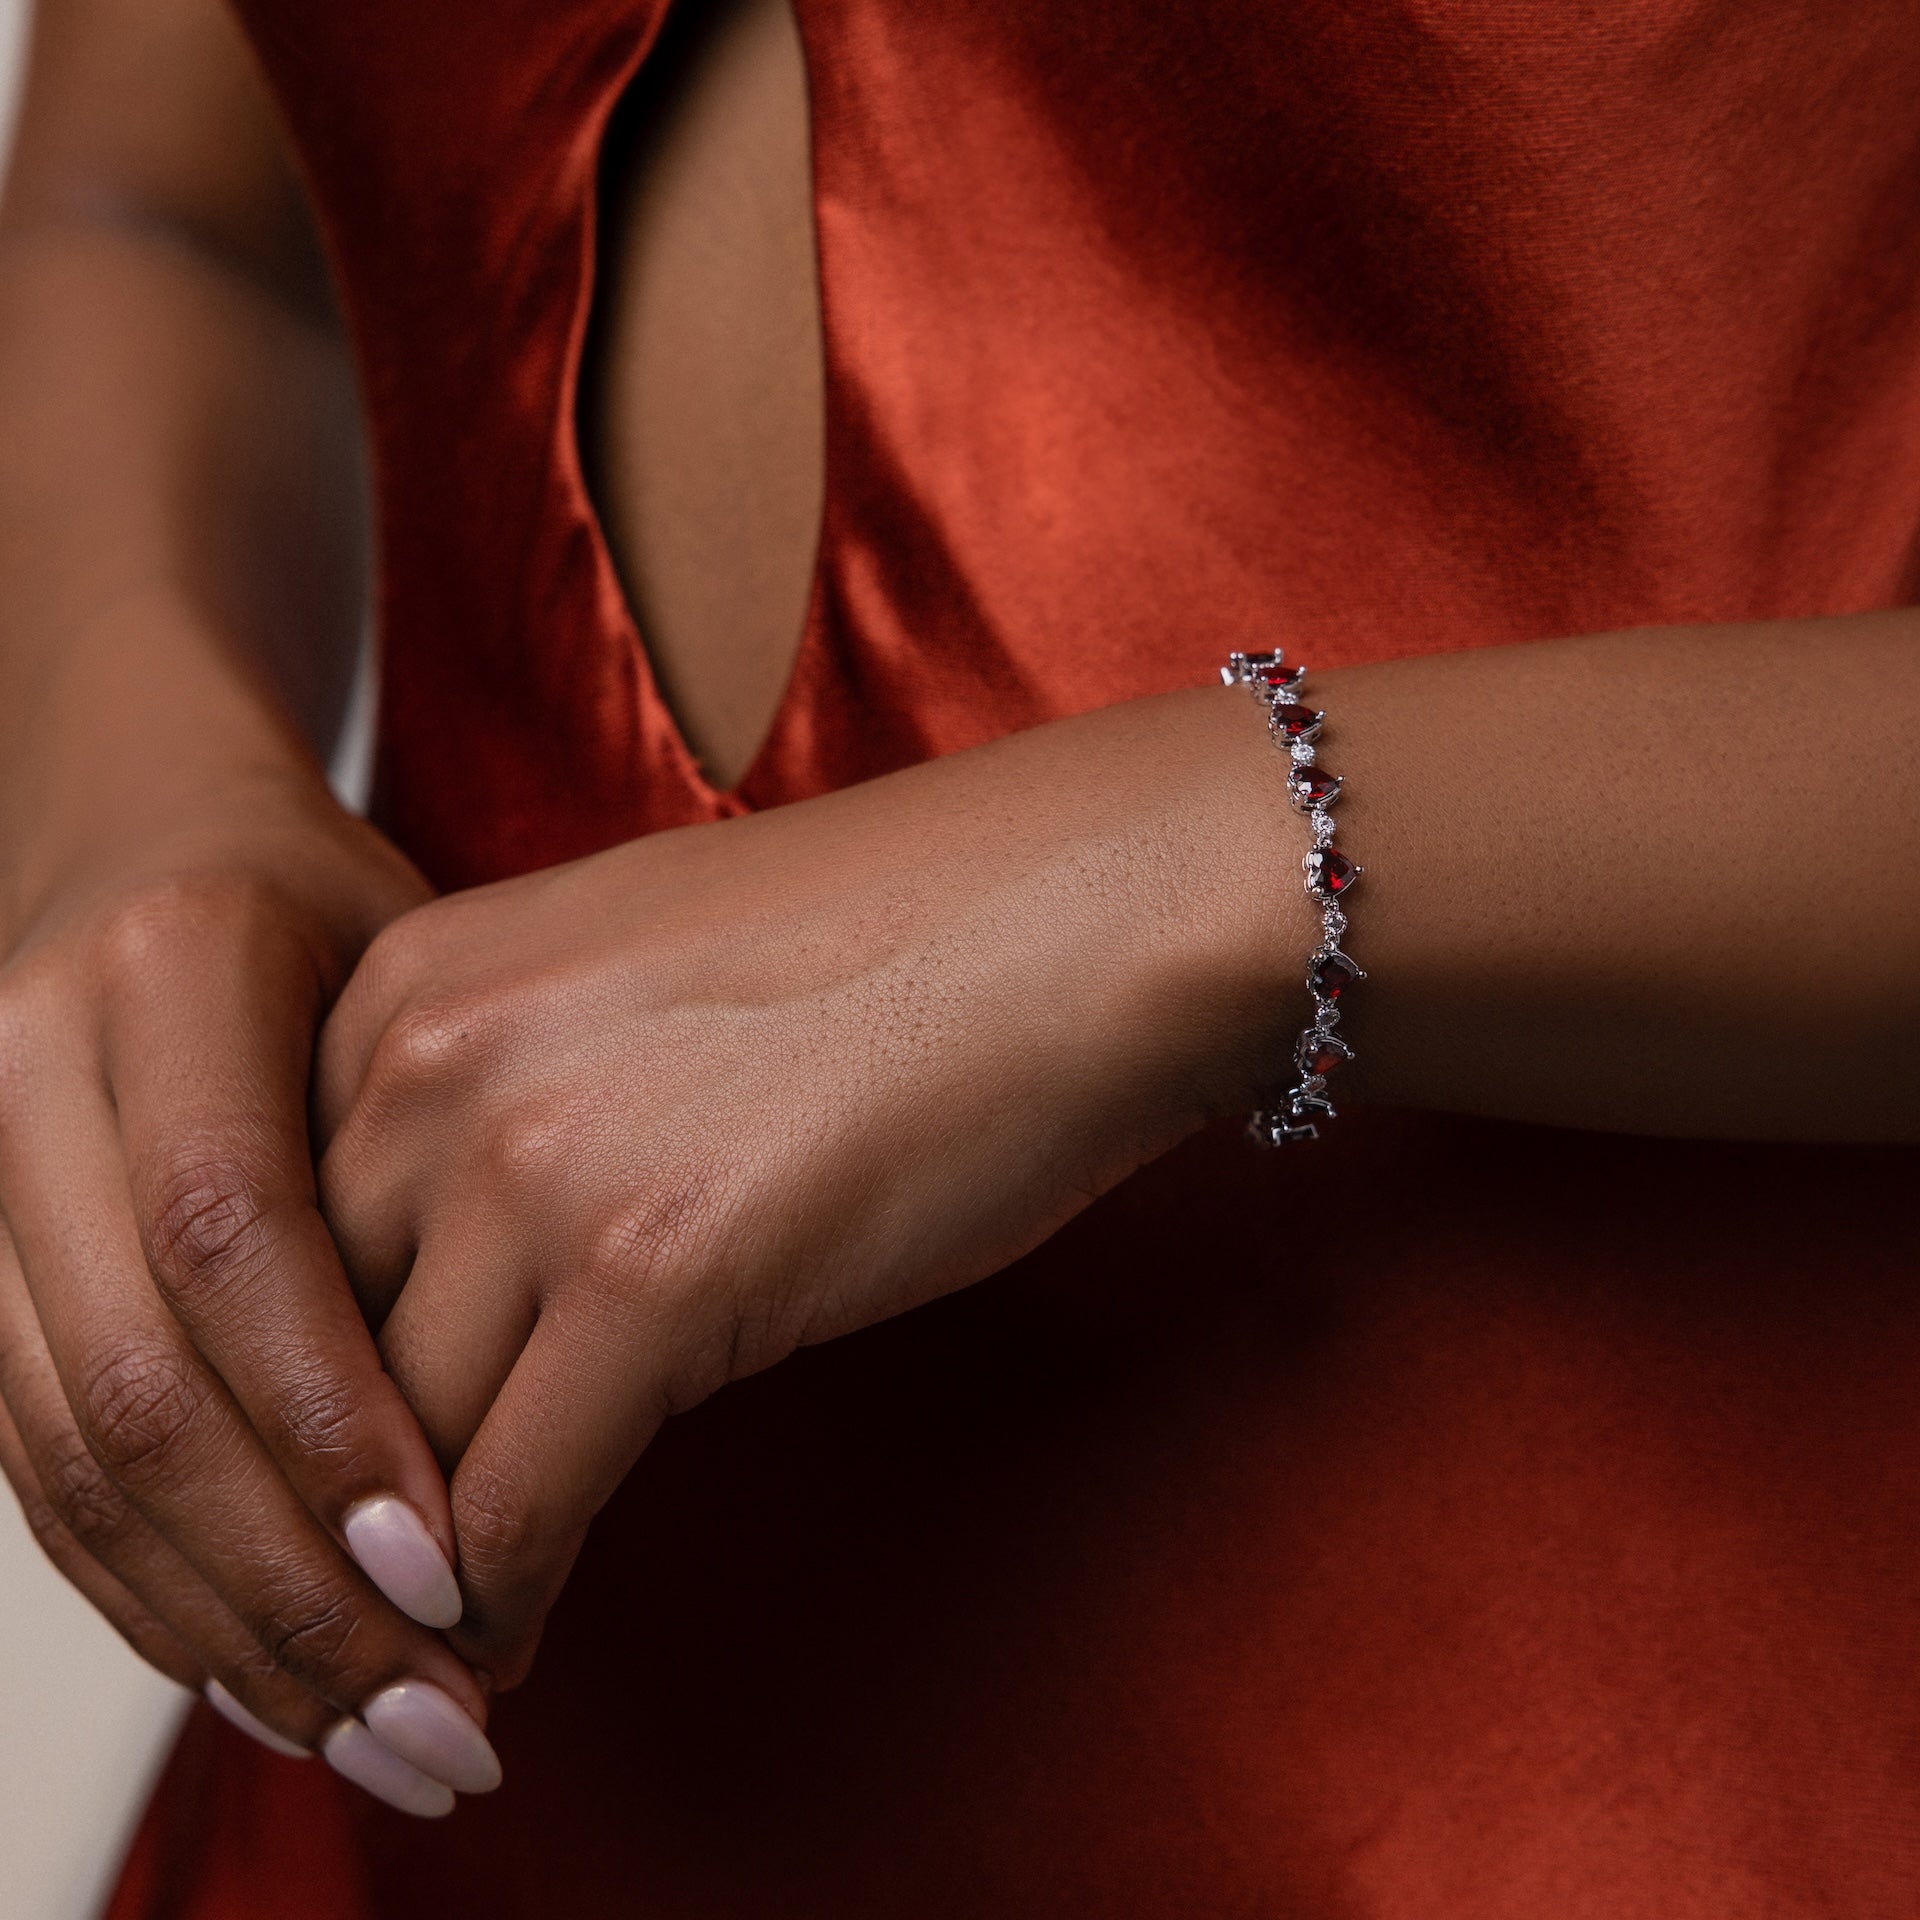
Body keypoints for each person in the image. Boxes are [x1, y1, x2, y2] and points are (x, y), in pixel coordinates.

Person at [0, 0, 1915, 1911]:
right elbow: (163, 210)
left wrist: (1197, 875)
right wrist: (148, 789)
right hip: (445, 1807)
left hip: (1587, 1769)